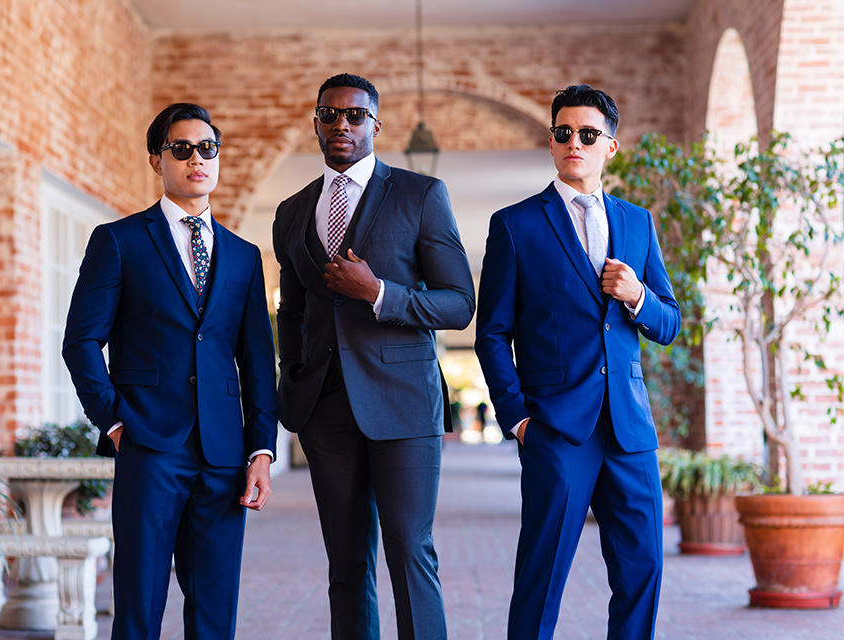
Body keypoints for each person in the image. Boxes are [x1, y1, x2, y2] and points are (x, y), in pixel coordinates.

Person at [62, 103, 278, 640]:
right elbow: (81, 342)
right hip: (150, 446)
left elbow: (256, 360)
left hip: (225, 456)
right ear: (157, 159)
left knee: (214, 612)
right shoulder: (119, 241)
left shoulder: (245, 256)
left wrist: (261, 450)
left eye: (207, 148)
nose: (196, 159)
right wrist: (113, 423)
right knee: (138, 606)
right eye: (181, 148)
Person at [273, 73, 475, 640]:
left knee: (411, 552)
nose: (342, 124)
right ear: (316, 122)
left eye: (355, 116)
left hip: (404, 406)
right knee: (345, 563)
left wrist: (380, 292)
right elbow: (292, 310)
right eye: (330, 115)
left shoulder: (420, 195)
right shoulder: (291, 212)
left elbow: (459, 303)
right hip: (325, 409)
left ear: (375, 125)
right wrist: (293, 378)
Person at [475, 84, 681, 639]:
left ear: (609, 147)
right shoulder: (515, 225)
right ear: (551, 142)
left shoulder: (637, 224)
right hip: (557, 429)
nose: (575, 143)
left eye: (588, 134)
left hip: (629, 429)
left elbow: (669, 323)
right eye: (564, 133)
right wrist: (517, 417)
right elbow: (492, 333)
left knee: (643, 571)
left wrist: (638, 295)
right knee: (541, 579)